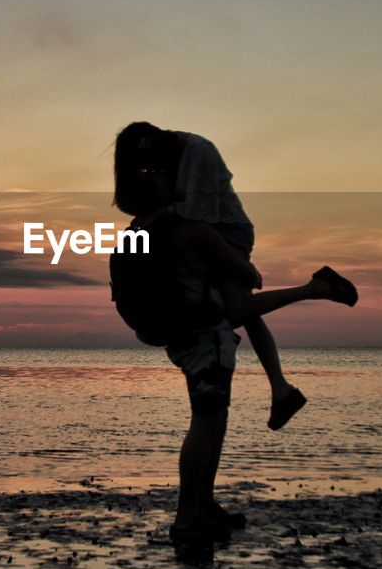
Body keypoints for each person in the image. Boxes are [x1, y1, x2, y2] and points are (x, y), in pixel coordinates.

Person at [112, 122, 359, 541]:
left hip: (178, 333)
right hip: (204, 336)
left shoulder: (144, 230)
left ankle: (203, 505)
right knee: (206, 422)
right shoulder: (193, 231)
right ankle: (188, 516)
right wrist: (248, 269)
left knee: (214, 419)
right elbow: (250, 278)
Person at [118, 122, 353, 431]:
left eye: (150, 166)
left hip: (225, 232)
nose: (150, 171)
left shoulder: (197, 150)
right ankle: (281, 388)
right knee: (241, 308)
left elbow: (195, 209)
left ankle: (316, 288)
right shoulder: (165, 158)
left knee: (237, 310)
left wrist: (157, 218)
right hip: (203, 232)